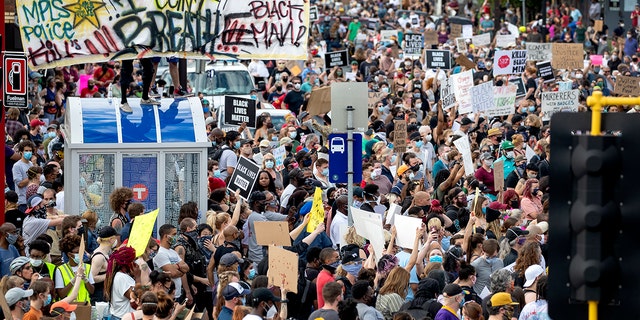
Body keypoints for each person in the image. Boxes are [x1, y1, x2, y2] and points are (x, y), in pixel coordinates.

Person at [154, 224, 190, 303]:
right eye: (174, 234)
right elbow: (173, 273)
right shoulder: (161, 254)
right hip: (166, 296)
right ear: (166, 236)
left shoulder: (173, 252)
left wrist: (175, 266)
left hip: (177, 294)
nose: (176, 237)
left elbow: (186, 268)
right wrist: (180, 268)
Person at [104, 246, 142, 320]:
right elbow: (136, 299)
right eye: (133, 261)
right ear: (128, 263)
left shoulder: (118, 276)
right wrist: (138, 277)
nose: (135, 264)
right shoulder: (122, 278)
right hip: (123, 317)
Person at [54, 234, 94, 303]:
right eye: (77, 252)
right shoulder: (60, 270)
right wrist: (74, 280)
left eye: (82, 251)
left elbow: (92, 291)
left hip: (85, 306)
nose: (81, 254)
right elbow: (61, 294)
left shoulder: (87, 267)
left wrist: (86, 280)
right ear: (69, 254)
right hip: (68, 307)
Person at [90, 226, 119, 303]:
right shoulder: (99, 257)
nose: (116, 241)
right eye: (115, 238)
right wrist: (110, 275)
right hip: (98, 295)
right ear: (111, 239)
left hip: (105, 292)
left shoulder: (107, 253)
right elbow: (92, 277)